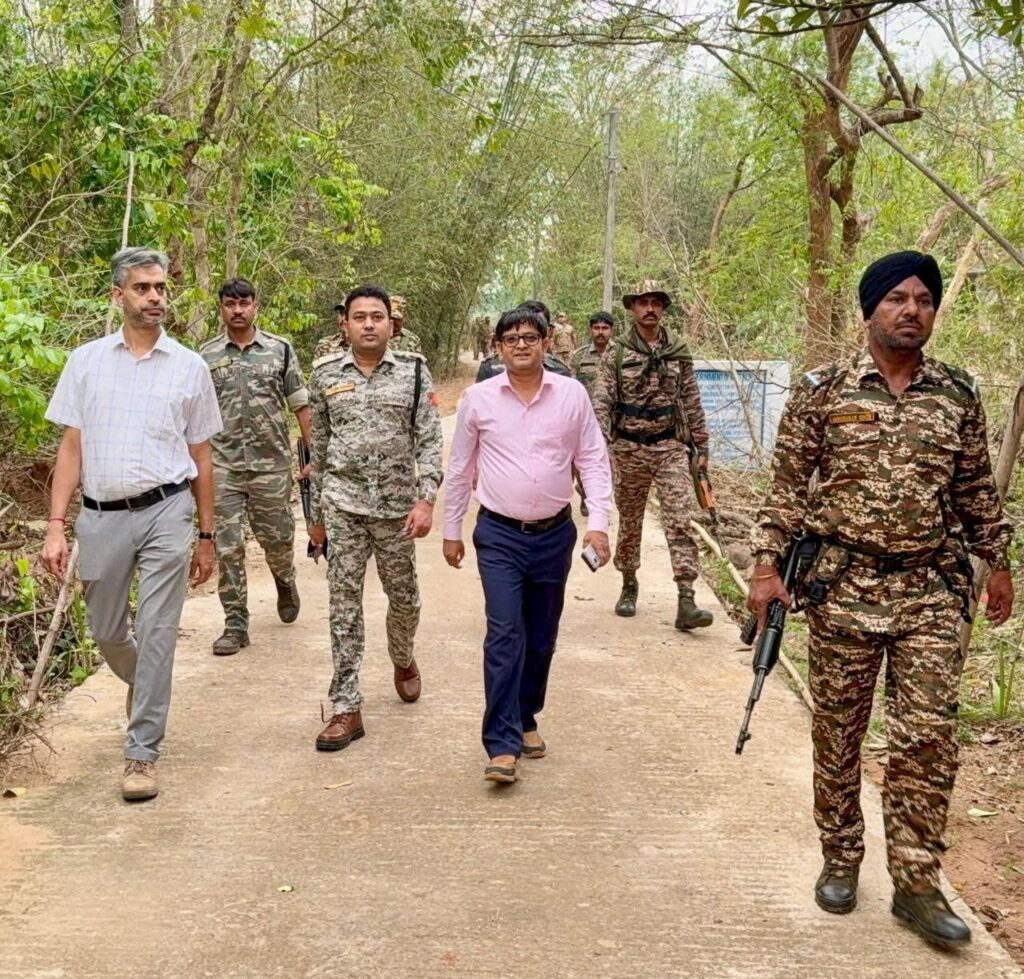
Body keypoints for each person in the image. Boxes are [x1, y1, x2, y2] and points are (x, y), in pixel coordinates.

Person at [748, 250, 1013, 951]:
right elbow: (787, 489)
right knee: (839, 733)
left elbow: (976, 491)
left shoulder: (956, 393)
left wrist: (998, 563)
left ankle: (917, 883)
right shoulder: (823, 390)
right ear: (870, 310)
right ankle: (840, 855)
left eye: (923, 300)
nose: (911, 310)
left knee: (927, 737)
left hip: (929, 591)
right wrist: (765, 567)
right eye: (897, 298)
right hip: (844, 587)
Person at [41, 247, 222, 802]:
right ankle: (146, 684)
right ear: (118, 295)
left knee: (159, 629)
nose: (154, 297)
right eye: (143, 288)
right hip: (101, 515)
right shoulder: (86, 362)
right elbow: (71, 448)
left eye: (160, 288)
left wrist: (207, 535)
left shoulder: (189, 366)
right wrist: (55, 524)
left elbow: (202, 456)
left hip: (168, 509)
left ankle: (142, 753)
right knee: (107, 632)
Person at [443, 306, 613, 783]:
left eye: (530, 337)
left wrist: (598, 523)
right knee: (504, 633)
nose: (521, 345)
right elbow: (460, 468)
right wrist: (452, 530)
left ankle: (525, 715)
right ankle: (501, 744)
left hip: (554, 535)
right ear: (498, 347)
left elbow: (593, 459)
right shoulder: (478, 400)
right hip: (498, 535)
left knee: (540, 636)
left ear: (547, 344)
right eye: (512, 338)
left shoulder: (571, 395)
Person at [308, 284, 442, 751]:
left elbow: (428, 439)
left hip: (396, 510)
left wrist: (426, 499)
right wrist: (316, 516)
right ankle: (346, 705)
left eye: (377, 316)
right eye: (359, 317)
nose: (368, 324)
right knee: (343, 605)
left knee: (405, 599)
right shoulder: (324, 373)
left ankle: (402, 655)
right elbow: (318, 449)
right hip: (343, 506)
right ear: (344, 324)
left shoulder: (413, 372)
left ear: (391, 324)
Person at [592, 280, 713, 631]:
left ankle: (686, 599)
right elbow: (601, 401)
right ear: (632, 308)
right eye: (643, 302)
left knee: (679, 519)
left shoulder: (678, 351)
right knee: (630, 522)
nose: (649, 308)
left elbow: (691, 401)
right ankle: (629, 584)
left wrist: (702, 448)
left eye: (656, 303)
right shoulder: (617, 352)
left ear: (663, 308)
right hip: (628, 449)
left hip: (669, 448)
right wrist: (599, 447)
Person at [200, 277, 311, 656]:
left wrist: (315, 457)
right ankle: (235, 624)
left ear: (255, 306)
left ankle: (284, 577)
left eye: (244, 303)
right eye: (230, 304)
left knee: (277, 540)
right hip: (223, 467)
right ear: (221, 308)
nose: (237, 310)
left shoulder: (280, 350)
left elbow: (300, 405)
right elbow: (195, 415)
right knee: (228, 547)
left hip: (271, 466)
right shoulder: (205, 356)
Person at [571, 311, 615, 516]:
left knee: (612, 460)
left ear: (611, 331)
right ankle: (585, 493)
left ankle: (603, 498)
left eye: (605, 328)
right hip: (587, 419)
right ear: (591, 330)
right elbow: (571, 387)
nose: (600, 332)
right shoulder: (579, 356)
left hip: (615, 418)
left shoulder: (621, 354)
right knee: (586, 459)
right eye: (596, 328)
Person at [475, 299, 572, 381]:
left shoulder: (560, 371)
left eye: (539, 326)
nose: (522, 345)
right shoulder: (491, 369)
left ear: (549, 331)